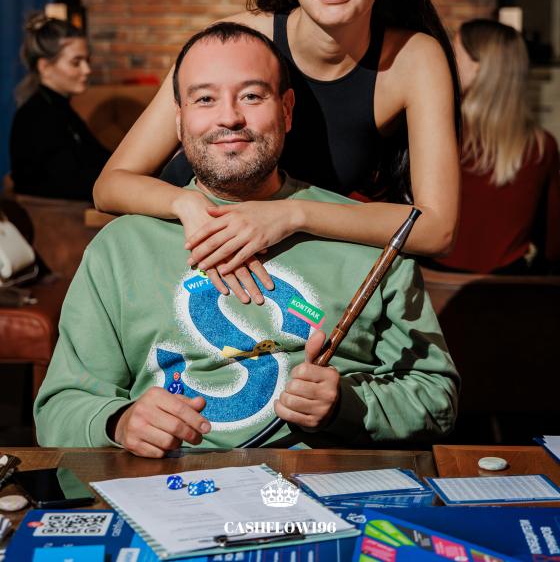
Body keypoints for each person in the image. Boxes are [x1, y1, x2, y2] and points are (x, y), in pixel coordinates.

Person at [34, 24, 458, 456]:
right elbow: (59, 411)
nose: (230, 117)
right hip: (169, 483)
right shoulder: (121, 248)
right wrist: (120, 422)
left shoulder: (367, 235)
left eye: (252, 96)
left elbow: (437, 399)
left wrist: (347, 404)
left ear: (287, 110)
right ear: (179, 120)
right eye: (205, 99)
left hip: (322, 483)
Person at [93, 0, 461, 302]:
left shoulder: (414, 59)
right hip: (202, 237)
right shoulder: (240, 41)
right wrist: (186, 204)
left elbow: (437, 228)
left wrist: (292, 215)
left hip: (292, 257)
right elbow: (110, 185)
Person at [433, 19, 560, 274]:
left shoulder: (439, 131)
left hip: (432, 284)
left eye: (454, 52)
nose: (446, 60)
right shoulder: (541, 146)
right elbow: (552, 245)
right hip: (505, 289)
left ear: (480, 68)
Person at [9, 13, 110, 201]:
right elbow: (66, 182)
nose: (87, 70)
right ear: (45, 67)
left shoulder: (59, 108)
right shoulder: (36, 116)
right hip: (60, 215)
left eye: (87, 61)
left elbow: (101, 160)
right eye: (76, 62)